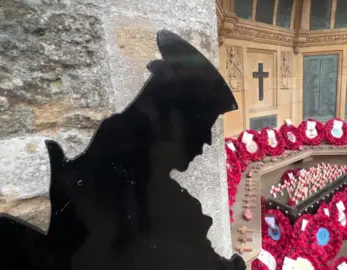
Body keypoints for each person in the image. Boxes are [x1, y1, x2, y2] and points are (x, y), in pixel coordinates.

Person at [0, 30, 245, 270]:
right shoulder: (156, 205)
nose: (207, 141)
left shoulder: (100, 174)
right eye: (202, 126)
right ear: (169, 125)